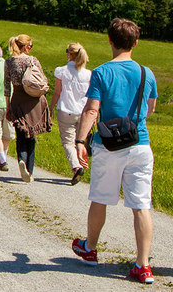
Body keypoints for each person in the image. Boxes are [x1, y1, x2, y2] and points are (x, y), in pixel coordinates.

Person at [72, 18, 157, 284]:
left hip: (109, 145)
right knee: (141, 205)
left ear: (110, 40)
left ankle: (90, 248)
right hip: (140, 144)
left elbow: (92, 110)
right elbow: (150, 109)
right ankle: (143, 266)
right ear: (136, 42)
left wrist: (80, 140)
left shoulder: (101, 72)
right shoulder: (147, 73)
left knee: (100, 197)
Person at [4, 34, 52, 183]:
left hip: (17, 98)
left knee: (20, 133)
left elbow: (7, 86)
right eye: (30, 46)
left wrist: (8, 106)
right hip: (33, 101)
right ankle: (30, 171)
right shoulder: (32, 60)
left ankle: (21, 159)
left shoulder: (9, 62)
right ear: (25, 47)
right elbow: (43, 80)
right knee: (32, 135)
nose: (31, 49)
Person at [49, 42, 91, 185]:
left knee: (68, 142)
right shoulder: (88, 74)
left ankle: (76, 167)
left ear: (70, 54)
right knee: (80, 141)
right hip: (83, 111)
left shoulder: (61, 71)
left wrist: (50, 108)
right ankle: (82, 163)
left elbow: (57, 92)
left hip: (66, 110)